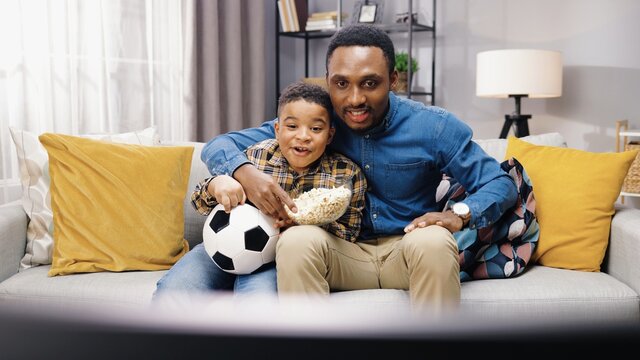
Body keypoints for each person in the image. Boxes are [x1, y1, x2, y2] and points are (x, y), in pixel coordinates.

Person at [199, 24, 518, 313]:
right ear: (327, 82)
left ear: (393, 80)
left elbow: (499, 183)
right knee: (297, 240)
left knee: (434, 240)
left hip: (408, 248)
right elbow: (219, 145)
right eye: (341, 84)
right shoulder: (316, 124)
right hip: (339, 250)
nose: (354, 99)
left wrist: (459, 214)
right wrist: (245, 172)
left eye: (370, 83)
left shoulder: (434, 126)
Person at [153, 82, 366, 300]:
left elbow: (348, 234)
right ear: (277, 129)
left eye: (316, 129)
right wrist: (215, 185)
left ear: (330, 135)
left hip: (269, 260)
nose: (303, 136)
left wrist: (302, 224)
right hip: (218, 247)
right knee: (171, 292)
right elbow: (199, 201)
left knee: (258, 303)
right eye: (292, 127)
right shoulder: (255, 157)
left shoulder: (344, 175)